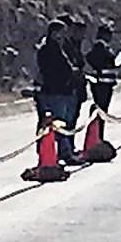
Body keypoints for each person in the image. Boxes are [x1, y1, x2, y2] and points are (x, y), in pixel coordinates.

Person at [37, 20, 80, 162]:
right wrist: (72, 72)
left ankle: (60, 151)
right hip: (57, 91)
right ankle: (63, 153)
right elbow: (59, 69)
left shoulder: (56, 48)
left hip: (60, 90)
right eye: (61, 32)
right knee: (59, 123)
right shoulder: (50, 49)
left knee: (60, 123)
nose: (64, 35)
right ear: (54, 33)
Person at [85, 24, 118, 113]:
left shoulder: (105, 46)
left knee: (103, 109)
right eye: (108, 33)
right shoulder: (100, 46)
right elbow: (91, 58)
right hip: (101, 83)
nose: (110, 36)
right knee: (101, 109)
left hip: (105, 82)